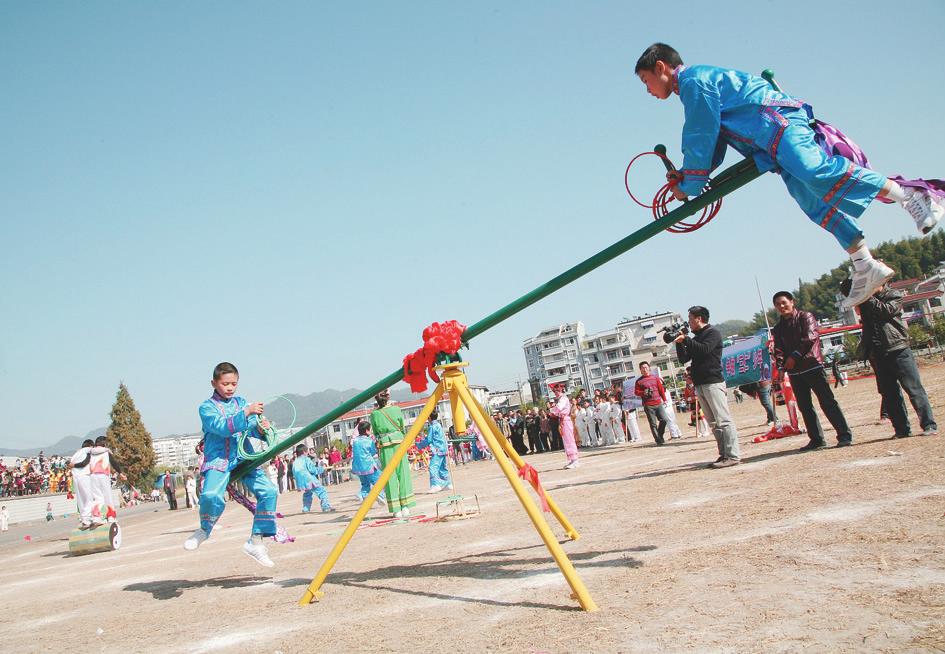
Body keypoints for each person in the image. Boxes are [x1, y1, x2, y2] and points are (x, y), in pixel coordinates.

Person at [634, 43, 942, 309]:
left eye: (646, 81)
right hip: (768, 142)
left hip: (777, 123)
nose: (647, 90)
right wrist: (689, 175)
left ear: (661, 66)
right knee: (812, 202)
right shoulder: (692, 87)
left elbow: (700, 134)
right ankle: (864, 263)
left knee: (814, 170)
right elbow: (711, 140)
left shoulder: (693, 80)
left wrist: (689, 183)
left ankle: (911, 193)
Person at [183, 362, 280, 568]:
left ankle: (256, 541)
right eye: (225, 383)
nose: (229, 388)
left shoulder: (241, 402)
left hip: (243, 457)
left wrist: (261, 429)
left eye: (233, 384)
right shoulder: (206, 407)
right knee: (210, 495)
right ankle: (205, 529)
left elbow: (251, 429)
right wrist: (246, 414)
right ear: (214, 383)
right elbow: (221, 427)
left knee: (270, 492)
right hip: (219, 459)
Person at [853, 282, 938, 438]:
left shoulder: (894, 294)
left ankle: (929, 424)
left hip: (898, 348)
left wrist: (868, 297)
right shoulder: (864, 300)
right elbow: (848, 290)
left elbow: (886, 311)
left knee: (914, 389)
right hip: (878, 352)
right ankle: (901, 429)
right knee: (890, 394)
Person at [771, 292, 853, 449]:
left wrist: (794, 357)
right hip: (795, 372)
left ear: (792, 302)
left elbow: (810, 338)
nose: (781, 306)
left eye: (784, 302)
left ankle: (844, 435)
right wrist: (781, 367)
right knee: (805, 407)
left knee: (828, 402)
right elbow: (779, 349)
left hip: (812, 366)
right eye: (778, 304)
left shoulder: (805, 317)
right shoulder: (778, 328)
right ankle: (816, 439)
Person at [674, 306, 742, 467]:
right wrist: (678, 343)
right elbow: (684, 359)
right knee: (713, 422)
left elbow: (705, 350)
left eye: (690, 318)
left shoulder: (713, 333)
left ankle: (733, 455)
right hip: (700, 383)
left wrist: (686, 340)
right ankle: (724, 454)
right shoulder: (696, 338)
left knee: (723, 420)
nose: (689, 322)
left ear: (699, 318)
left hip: (713, 381)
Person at [369, 389, 416, 518]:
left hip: (385, 445)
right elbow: (401, 426)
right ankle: (406, 506)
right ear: (388, 396)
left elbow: (376, 432)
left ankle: (396, 509)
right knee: (404, 474)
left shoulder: (374, 414)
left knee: (390, 477)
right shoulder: (396, 410)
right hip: (399, 442)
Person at [416, 410, 452, 493]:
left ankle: (435, 485)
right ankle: (448, 484)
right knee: (442, 467)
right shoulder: (439, 425)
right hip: (443, 449)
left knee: (433, 467)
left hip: (437, 450)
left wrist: (419, 445)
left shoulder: (432, 427)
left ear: (429, 418)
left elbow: (428, 440)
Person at [350, 421, 386, 504]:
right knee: (378, 480)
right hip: (368, 465)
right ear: (367, 430)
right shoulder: (369, 441)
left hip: (358, 467)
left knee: (365, 483)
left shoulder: (355, 441)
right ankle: (380, 495)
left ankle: (363, 495)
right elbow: (373, 452)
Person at [634, 362, 669, 446]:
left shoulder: (655, 378)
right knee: (653, 424)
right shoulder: (639, 381)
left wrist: (664, 399)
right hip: (648, 404)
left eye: (646, 367)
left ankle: (660, 435)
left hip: (658, 403)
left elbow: (661, 389)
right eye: (642, 368)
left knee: (664, 419)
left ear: (649, 368)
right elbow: (636, 392)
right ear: (640, 370)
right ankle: (658, 440)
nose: (644, 369)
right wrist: (643, 392)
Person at [291, 444, 333, 512]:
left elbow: (294, 474)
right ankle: (326, 507)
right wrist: (321, 469)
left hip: (302, 482)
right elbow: (312, 470)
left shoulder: (295, 462)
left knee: (308, 493)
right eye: (307, 451)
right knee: (322, 491)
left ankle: (306, 508)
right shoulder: (306, 459)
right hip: (310, 480)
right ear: (304, 452)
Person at [549, 384, 579, 469]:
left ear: (561, 390)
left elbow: (558, 408)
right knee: (566, 441)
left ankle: (575, 460)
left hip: (566, 419)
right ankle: (571, 460)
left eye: (557, 391)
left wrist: (552, 410)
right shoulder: (560, 399)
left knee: (569, 440)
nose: (556, 393)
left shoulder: (563, 398)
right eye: (554, 391)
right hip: (562, 420)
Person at [68, 439, 95, 529]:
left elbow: (69, 463)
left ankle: (84, 520)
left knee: (81, 500)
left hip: (76, 478)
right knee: (88, 498)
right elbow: (85, 463)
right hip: (84, 476)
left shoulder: (76, 453)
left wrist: (72, 465)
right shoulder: (88, 450)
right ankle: (88, 519)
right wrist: (74, 465)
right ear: (90, 446)